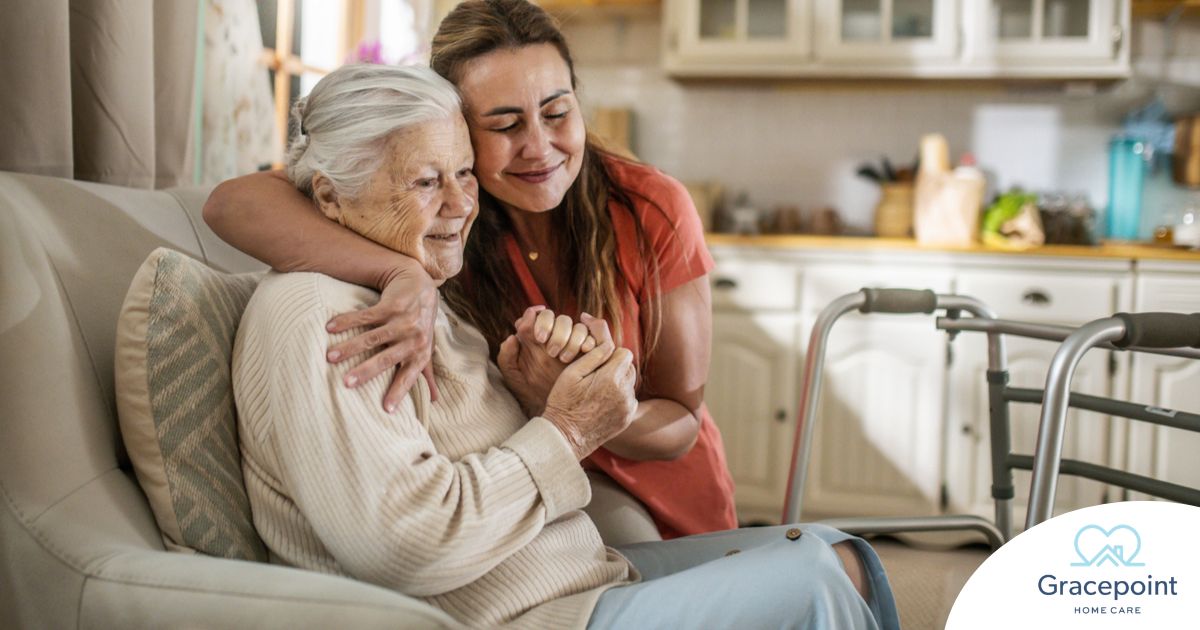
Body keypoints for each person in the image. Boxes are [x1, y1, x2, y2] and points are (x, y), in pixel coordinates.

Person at [233, 62, 898, 629]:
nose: (463, 204)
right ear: (329, 195)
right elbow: (407, 543)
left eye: (464, 174)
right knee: (815, 575)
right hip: (529, 617)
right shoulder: (322, 316)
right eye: (426, 181)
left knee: (840, 552)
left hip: (576, 581)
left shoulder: (409, 290)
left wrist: (536, 391)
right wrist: (569, 428)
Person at [205, 0, 734, 541]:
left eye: (557, 113)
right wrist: (399, 273)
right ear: (456, 127)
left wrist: (586, 407)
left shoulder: (649, 207)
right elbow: (231, 204)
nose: (539, 147)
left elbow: (682, 425)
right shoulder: (446, 218)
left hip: (666, 499)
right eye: (504, 124)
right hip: (535, 493)